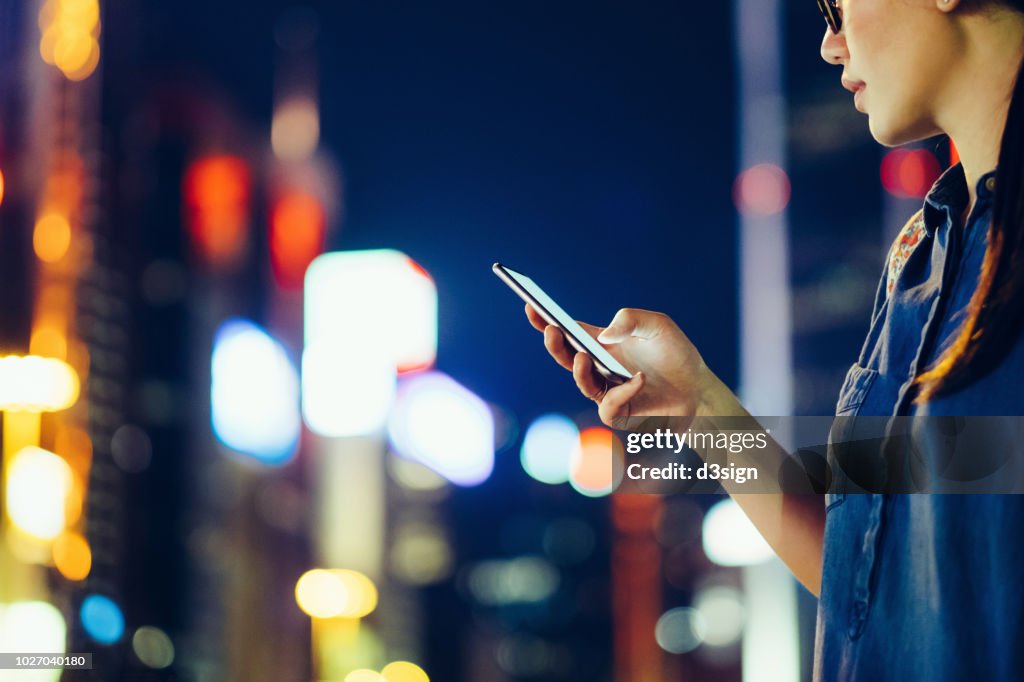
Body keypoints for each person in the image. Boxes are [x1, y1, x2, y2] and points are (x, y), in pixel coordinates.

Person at [525, 0, 1024, 679]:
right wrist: (697, 403)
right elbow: (866, 588)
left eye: (838, 8)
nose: (831, 46)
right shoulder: (921, 257)